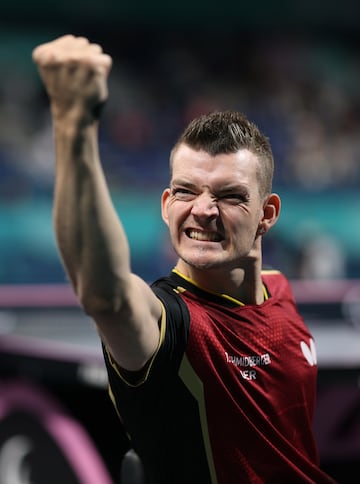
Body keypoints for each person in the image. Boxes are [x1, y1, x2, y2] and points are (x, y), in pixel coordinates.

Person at [32, 35, 336, 484]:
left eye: (229, 196)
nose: (203, 210)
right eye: (186, 191)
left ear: (267, 214)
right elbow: (105, 294)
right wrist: (73, 122)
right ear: (165, 204)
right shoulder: (169, 323)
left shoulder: (280, 290)